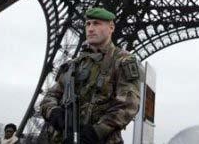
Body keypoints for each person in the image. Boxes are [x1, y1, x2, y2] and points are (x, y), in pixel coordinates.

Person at [40, 7, 141, 144]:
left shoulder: (122, 61)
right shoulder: (72, 65)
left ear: (111, 27)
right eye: (88, 24)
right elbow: (49, 97)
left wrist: (96, 132)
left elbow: (129, 105)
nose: (90, 28)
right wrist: (54, 112)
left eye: (97, 23)